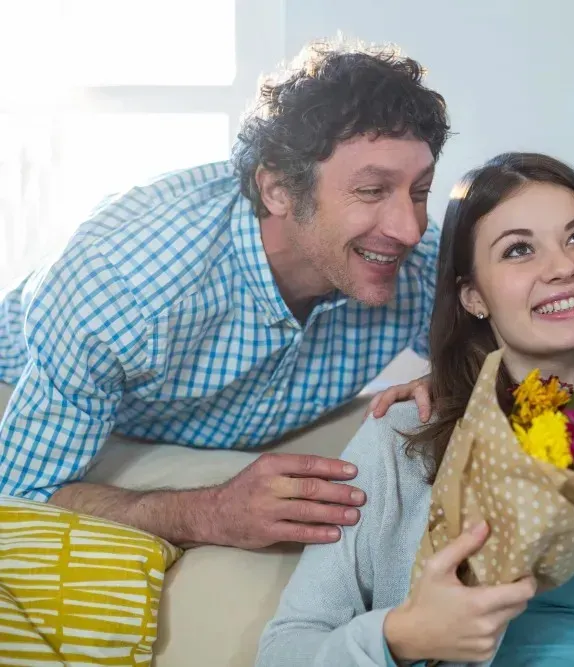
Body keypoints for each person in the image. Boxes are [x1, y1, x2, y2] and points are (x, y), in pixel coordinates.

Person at [0, 39, 451, 549]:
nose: (409, 229)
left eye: (419, 191)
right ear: (278, 190)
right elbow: (21, 495)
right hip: (38, 407)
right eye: (372, 191)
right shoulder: (125, 282)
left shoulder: (418, 260)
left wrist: (456, 375)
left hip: (241, 433)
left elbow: (501, 360)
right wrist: (210, 513)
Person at [256, 152, 574, 667]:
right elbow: (288, 646)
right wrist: (401, 637)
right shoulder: (406, 432)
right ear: (474, 296)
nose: (563, 268)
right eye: (519, 250)